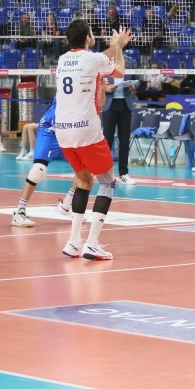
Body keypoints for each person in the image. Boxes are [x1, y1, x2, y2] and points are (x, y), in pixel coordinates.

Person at [55, 21, 132, 260]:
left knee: (84, 180)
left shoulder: (62, 59)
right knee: (108, 181)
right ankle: (92, 243)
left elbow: (95, 62)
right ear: (88, 38)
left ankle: (74, 242)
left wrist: (112, 48)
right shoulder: (92, 59)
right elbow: (120, 71)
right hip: (85, 130)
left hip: (63, 132)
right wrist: (119, 47)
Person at [11, 98, 64, 227]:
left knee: (86, 170)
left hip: (74, 128)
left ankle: (67, 205)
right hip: (51, 127)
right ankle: (20, 211)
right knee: (38, 170)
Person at [101, 74, 140, 184]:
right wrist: (105, 88)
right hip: (109, 105)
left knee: (124, 139)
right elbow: (96, 83)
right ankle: (104, 172)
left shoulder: (127, 67)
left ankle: (123, 174)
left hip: (125, 105)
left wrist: (133, 85)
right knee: (107, 139)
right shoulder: (106, 68)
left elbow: (138, 80)